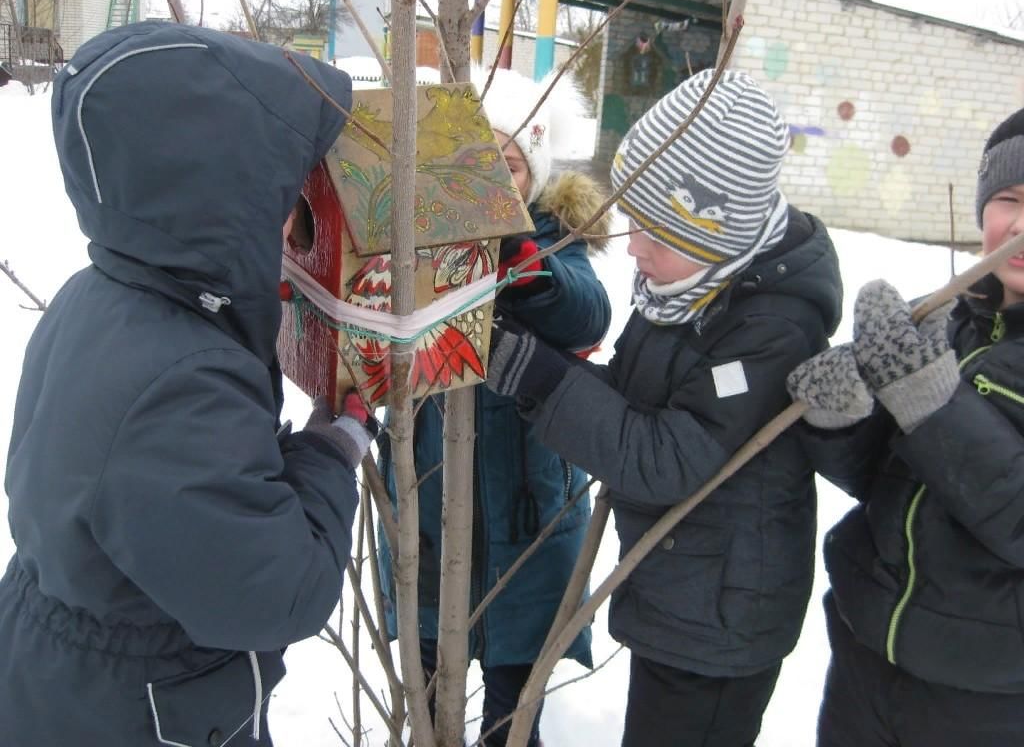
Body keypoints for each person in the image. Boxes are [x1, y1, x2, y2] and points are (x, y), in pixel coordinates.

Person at [0, 21, 375, 746]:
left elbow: (187, 509)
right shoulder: (180, 379)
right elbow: (276, 592)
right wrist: (330, 455)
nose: (298, 218)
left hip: (68, 675)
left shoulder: (108, 295)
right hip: (136, 711)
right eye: (285, 197)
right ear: (223, 199)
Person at [485, 68, 843, 747]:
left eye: (658, 232)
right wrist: (544, 363)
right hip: (681, 587)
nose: (633, 248)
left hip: (720, 622)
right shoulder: (689, 287)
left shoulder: (772, 328)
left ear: (716, 233)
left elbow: (670, 456)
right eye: (634, 220)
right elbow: (633, 386)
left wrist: (539, 379)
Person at [375, 66, 612, 746]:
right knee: (422, 700)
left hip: (527, 520)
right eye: (478, 165)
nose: (494, 181)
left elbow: (586, 312)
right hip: (426, 512)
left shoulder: (550, 239)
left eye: (507, 164)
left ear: (532, 174)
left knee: (512, 721)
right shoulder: (415, 236)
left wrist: (514, 253)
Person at [787, 106, 1024, 747]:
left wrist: (932, 404)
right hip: (867, 661)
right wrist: (843, 424)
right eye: (1009, 198)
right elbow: (893, 479)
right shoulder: (947, 324)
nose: (1022, 225)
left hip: (988, 702)